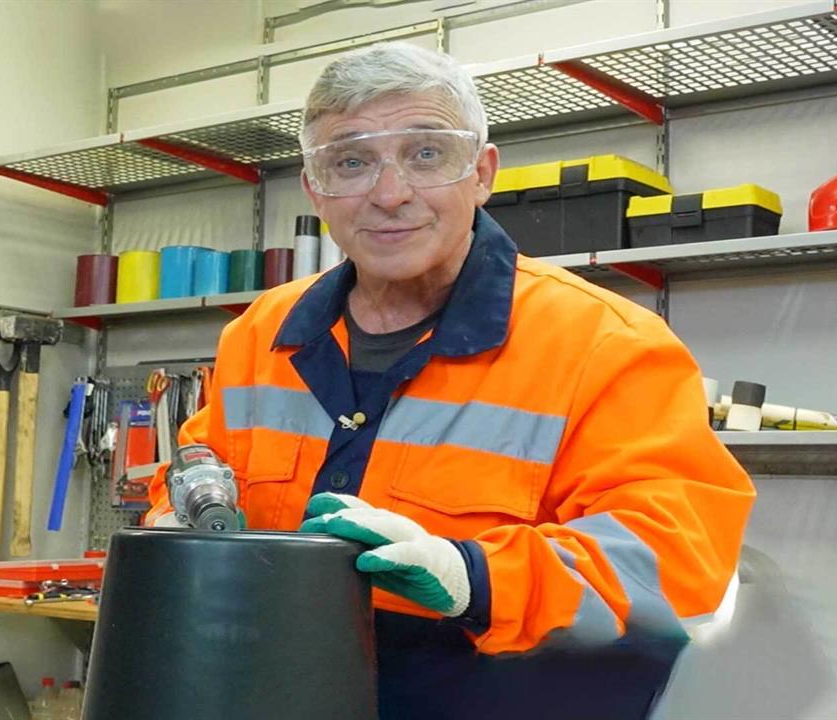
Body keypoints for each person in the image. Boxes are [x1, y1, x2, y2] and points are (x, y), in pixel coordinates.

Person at [146, 41, 755, 719]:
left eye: (427, 153)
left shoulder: (606, 344)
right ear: (316, 190)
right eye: (351, 162)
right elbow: (200, 468)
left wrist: (477, 578)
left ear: (482, 173)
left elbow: (675, 562)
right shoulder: (261, 333)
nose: (389, 194)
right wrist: (176, 514)